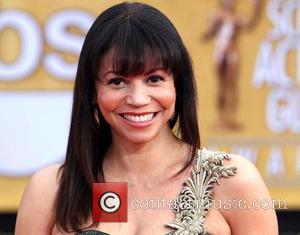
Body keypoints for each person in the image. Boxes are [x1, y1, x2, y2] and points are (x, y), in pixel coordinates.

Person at [15, 2, 277, 234]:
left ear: (177, 86)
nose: (138, 99)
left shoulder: (233, 182)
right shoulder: (51, 190)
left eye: (154, 79)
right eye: (117, 81)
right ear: (93, 91)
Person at [203, 0, 261, 130]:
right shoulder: (217, 16)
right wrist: (212, 26)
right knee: (221, 86)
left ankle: (230, 118)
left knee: (232, 85)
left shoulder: (237, 18)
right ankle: (221, 117)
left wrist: (257, 9)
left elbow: (250, 24)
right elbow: (209, 34)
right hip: (220, 54)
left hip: (232, 54)